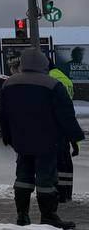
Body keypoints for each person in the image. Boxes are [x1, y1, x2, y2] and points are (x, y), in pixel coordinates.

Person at [0, 48, 80, 229]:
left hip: (21, 140)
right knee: (46, 179)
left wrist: (8, 137)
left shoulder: (9, 84)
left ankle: (22, 216)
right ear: (43, 63)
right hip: (47, 141)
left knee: (23, 177)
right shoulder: (52, 84)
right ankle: (49, 216)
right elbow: (66, 116)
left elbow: (3, 114)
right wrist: (74, 139)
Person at [49, 63, 78, 202]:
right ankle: (67, 193)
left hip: (54, 126)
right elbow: (68, 110)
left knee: (58, 161)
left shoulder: (50, 79)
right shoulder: (64, 77)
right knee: (66, 160)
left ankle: (61, 194)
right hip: (65, 125)